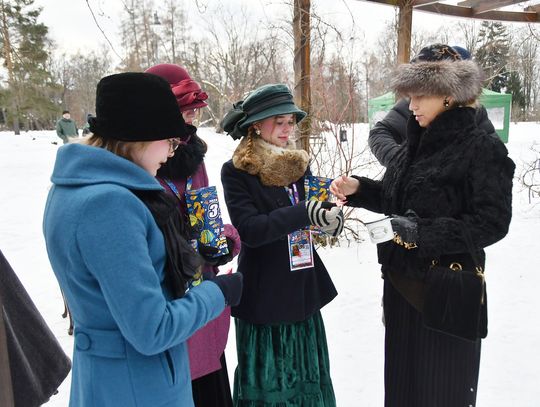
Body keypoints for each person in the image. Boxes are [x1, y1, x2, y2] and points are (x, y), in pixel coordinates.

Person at [43, 72, 243, 407]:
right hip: (137, 385)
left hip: (109, 377)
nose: (172, 151)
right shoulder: (109, 205)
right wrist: (217, 293)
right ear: (140, 137)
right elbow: (152, 329)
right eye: (170, 141)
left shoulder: (71, 190)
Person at [330, 44, 515, 407]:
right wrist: (359, 190)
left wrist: (423, 233)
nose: (409, 107)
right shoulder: (417, 139)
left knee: (439, 392)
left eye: (418, 97)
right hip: (402, 287)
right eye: (408, 97)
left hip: (448, 290)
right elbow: (401, 198)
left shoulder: (481, 146)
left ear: (450, 95)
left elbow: (493, 222)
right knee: (404, 389)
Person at [220, 83, 344, 406]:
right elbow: (251, 230)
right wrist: (304, 212)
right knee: (273, 387)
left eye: (291, 122)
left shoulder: (298, 165)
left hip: (303, 291)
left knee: (308, 384)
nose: (288, 129)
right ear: (256, 126)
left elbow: (310, 212)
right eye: (280, 122)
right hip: (266, 300)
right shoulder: (237, 171)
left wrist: (327, 219)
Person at [145, 63, 240, 407]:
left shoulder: (193, 158)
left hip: (205, 297)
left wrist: (222, 241)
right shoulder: (141, 169)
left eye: (192, 112)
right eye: (182, 111)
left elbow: (205, 217)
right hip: (173, 309)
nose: (189, 120)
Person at [368, 45, 498, 167]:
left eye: (420, 95)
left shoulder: (475, 114)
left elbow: (494, 160)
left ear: (448, 93)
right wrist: (402, 164)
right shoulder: (414, 107)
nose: (412, 106)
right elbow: (379, 133)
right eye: (411, 95)